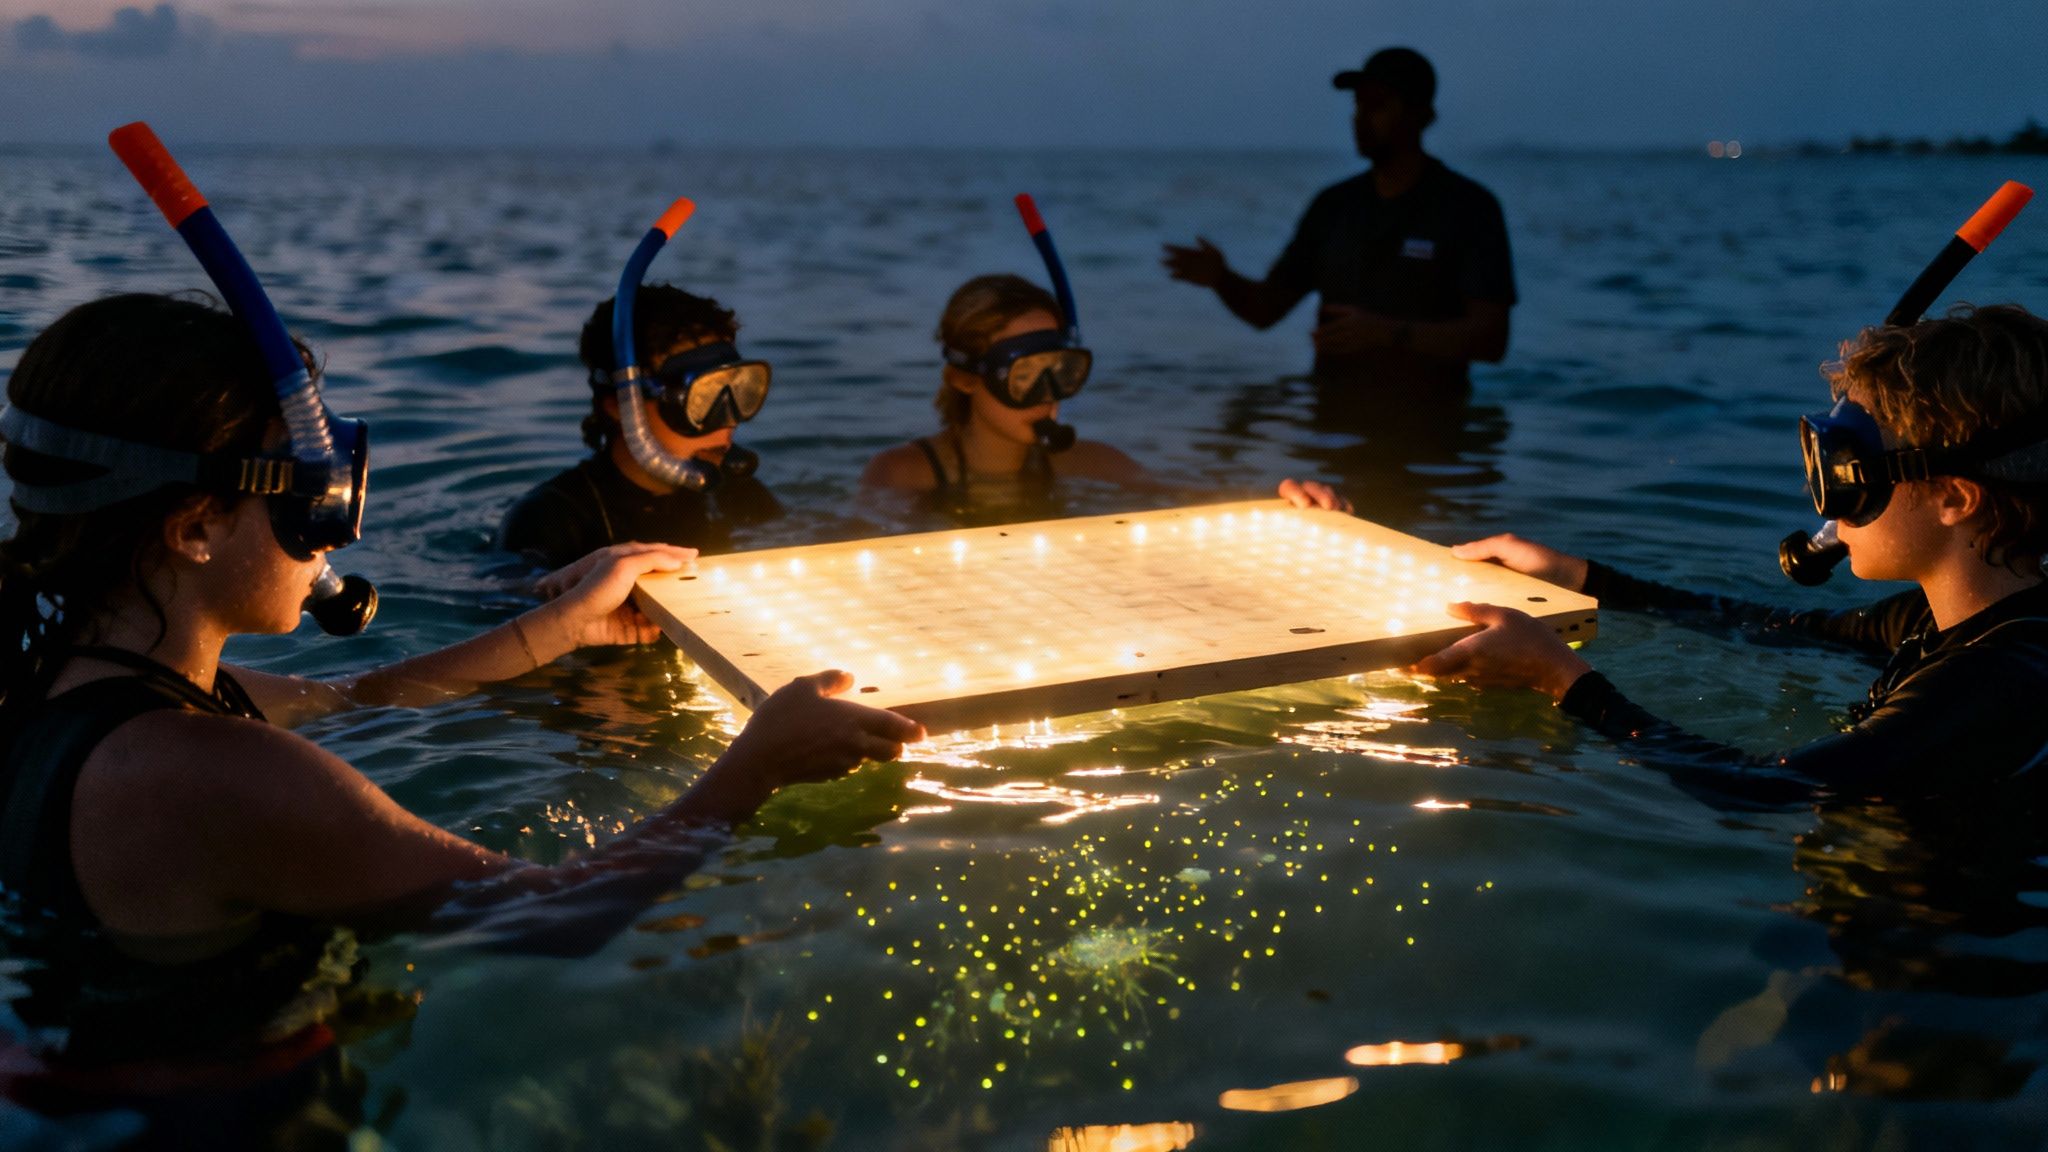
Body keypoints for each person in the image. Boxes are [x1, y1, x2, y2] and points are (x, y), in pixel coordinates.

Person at [0, 295, 920, 1088]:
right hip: (241, 1119)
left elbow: (360, 697)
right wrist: (753, 767)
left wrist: (557, 626)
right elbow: (554, 915)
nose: (336, 530)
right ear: (197, 527)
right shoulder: (216, 772)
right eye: (311, 493)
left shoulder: (69, 681)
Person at [1413, 305, 2048, 809]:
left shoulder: (1994, 683)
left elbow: (1767, 788)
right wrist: (1580, 577)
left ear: (1954, 498)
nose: (1821, 499)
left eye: (1849, 474)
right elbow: (1771, 627)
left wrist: (1560, 679)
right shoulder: (1944, 622)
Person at [1162, 47, 1516, 397]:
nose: (1361, 118)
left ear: (1421, 115)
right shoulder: (1334, 206)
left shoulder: (1468, 208)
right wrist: (1222, 279)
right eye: (1357, 105)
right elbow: (1266, 309)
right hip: (1332, 423)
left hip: (1428, 430)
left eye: (1377, 105)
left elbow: (1492, 339)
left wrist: (1389, 332)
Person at [860, 273, 1348, 514]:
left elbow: (1189, 501)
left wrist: (1281, 500)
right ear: (964, 378)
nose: (1049, 394)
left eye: (1062, 371)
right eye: (1025, 374)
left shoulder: (1087, 464)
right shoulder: (903, 473)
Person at [499, 284, 783, 571]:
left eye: (737, 391)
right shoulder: (550, 521)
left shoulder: (735, 493)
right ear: (619, 406)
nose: (729, 419)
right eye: (702, 398)